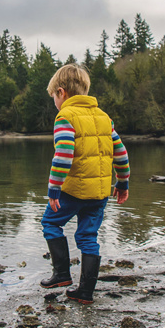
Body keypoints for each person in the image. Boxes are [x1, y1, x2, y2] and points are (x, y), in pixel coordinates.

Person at [40, 63, 130, 304]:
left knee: (50, 222)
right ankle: (85, 292)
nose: (55, 103)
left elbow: (64, 154)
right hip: (100, 192)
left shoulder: (65, 116)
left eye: (53, 98)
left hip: (72, 191)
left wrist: (54, 187)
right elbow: (120, 153)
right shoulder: (104, 117)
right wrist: (122, 183)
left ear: (61, 93)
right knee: (88, 236)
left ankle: (61, 274)